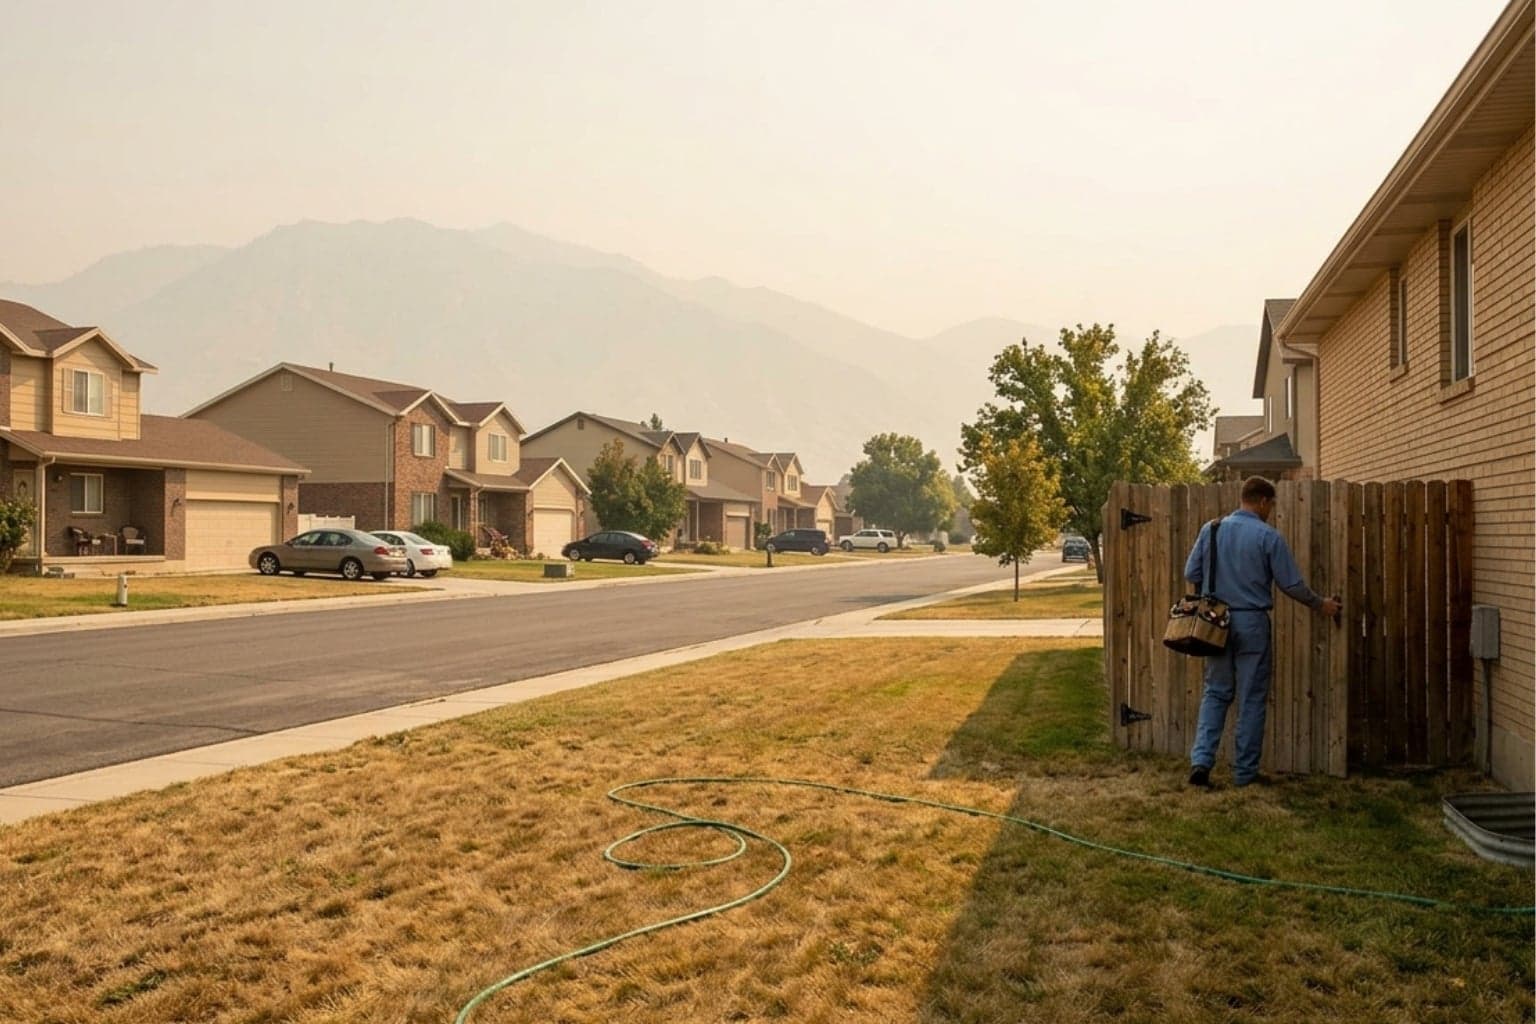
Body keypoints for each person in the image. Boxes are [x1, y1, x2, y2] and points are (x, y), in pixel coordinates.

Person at [1185, 476, 1341, 788]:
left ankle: (1201, 763)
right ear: (1263, 502)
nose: (1271, 511)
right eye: (1271, 505)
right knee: (1251, 699)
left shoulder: (1211, 529)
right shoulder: (1267, 536)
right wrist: (1320, 604)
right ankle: (1244, 774)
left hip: (1216, 622)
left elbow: (1192, 572)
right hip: (1252, 622)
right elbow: (1291, 584)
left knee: (1215, 693)